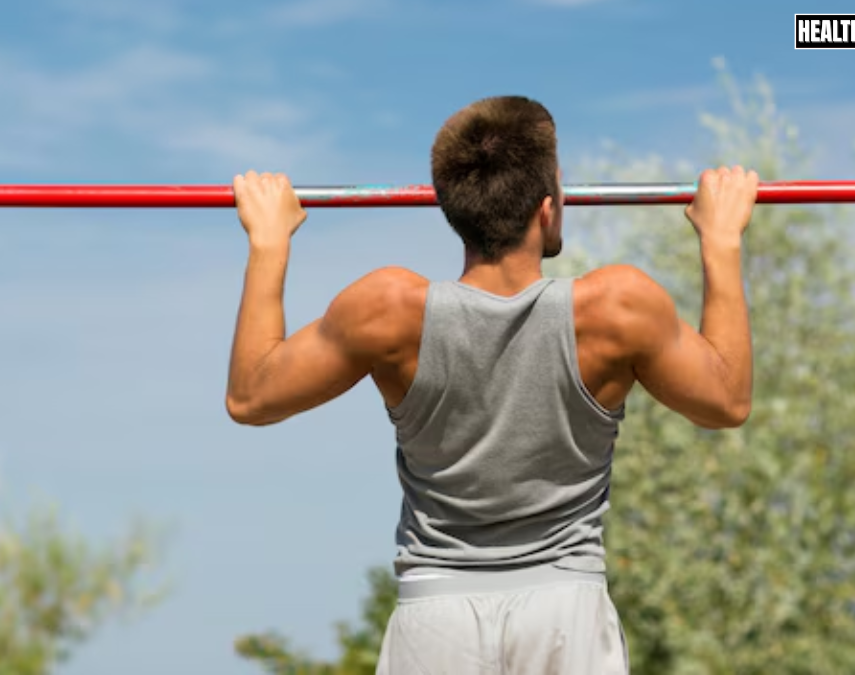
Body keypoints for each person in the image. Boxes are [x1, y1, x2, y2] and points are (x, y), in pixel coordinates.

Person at [225, 95, 757, 674]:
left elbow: (251, 395)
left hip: (436, 615)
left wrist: (268, 243)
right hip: (565, 615)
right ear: (547, 209)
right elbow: (726, 400)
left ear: (455, 209)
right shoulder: (617, 308)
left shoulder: (386, 310)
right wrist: (721, 241)